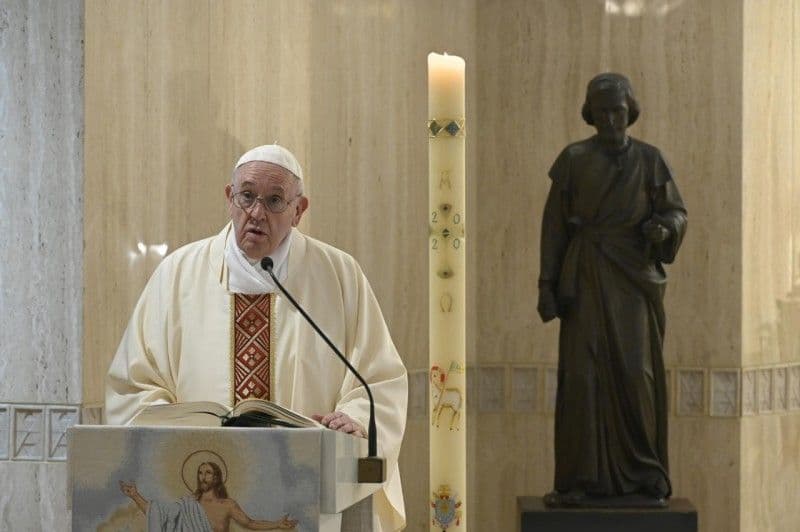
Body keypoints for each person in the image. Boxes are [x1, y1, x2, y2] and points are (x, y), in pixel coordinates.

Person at [106, 144, 408, 530]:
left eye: (275, 201)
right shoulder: (177, 275)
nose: (257, 213)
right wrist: (176, 430)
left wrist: (355, 419)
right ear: (229, 198)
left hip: (306, 489)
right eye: (247, 196)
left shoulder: (338, 275)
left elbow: (378, 379)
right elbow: (133, 385)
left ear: (299, 211)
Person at [538, 73, 687, 506]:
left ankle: (644, 476)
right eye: (601, 111)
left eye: (617, 110)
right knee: (582, 377)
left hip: (633, 281)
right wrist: (546, 284)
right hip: (584, 278)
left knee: (635, 373)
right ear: (590, 114)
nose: (610, 119)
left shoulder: (650, 160)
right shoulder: (573, 160)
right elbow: (552, 228)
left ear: (630, 111)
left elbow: (675, 212)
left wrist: (664, 229)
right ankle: (579, 480)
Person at [120, 461, 298, 531]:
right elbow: (157, 513)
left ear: (216, 477)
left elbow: (249, 523)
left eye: (207, 473)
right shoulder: (187, 504)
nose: (202, 476)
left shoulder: (227, 505)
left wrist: (277, 524)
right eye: (200, 473)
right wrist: (135, 495)